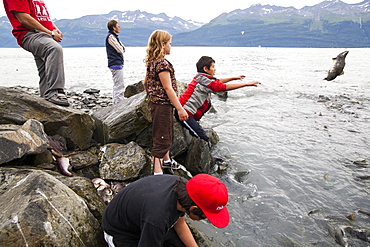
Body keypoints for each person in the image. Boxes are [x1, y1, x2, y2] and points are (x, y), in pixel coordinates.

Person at [102, 173, 230, 247]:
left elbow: (180, 225)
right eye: (205, 216)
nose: (206, 219)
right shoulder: (158, 219)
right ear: (193, 209)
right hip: (119, 232)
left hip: (142, 220)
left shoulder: (185, 188)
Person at [178, 56, 261, 145]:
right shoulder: (203, 80)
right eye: (213, 67)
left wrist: (234, 78)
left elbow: (217, 81)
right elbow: (221, 87)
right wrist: (246, 84)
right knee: (203, 139)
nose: (215, 69)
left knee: (203, 131)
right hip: (185, 113)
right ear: (205, 68)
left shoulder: (201, 78)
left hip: (189, 112)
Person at [3, 0, 69, 106]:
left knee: (44, 68)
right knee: (54, 49)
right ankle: (55, 92)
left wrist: (54, 28)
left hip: (43, 34)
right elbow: (24, 19)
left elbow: (41, 17)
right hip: (30, 34)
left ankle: (47, 101)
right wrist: (50, 33)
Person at [143, 30, 188, 175]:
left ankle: (167, 160)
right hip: (163, 106)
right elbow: (168, 88)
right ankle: (157, 172)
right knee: (163, 138)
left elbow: (145, 82)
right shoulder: (162, 63)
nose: (170, 46)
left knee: (163, 132)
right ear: (162, 45)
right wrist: (180, 108)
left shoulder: (152, 62)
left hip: (155, 104)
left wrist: (151, 96)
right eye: (169, 44)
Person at [106, 20, 125, 104]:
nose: (119, 28)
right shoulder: (111, 37)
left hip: (116, 63)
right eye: (118, 26)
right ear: (114, 28)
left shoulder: (114, 36)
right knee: (119, 85)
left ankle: (117, 101)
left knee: (117, 84)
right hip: (115, 63)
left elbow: (122, 48)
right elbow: (120, 50)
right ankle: (118, 103)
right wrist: (122, 48)